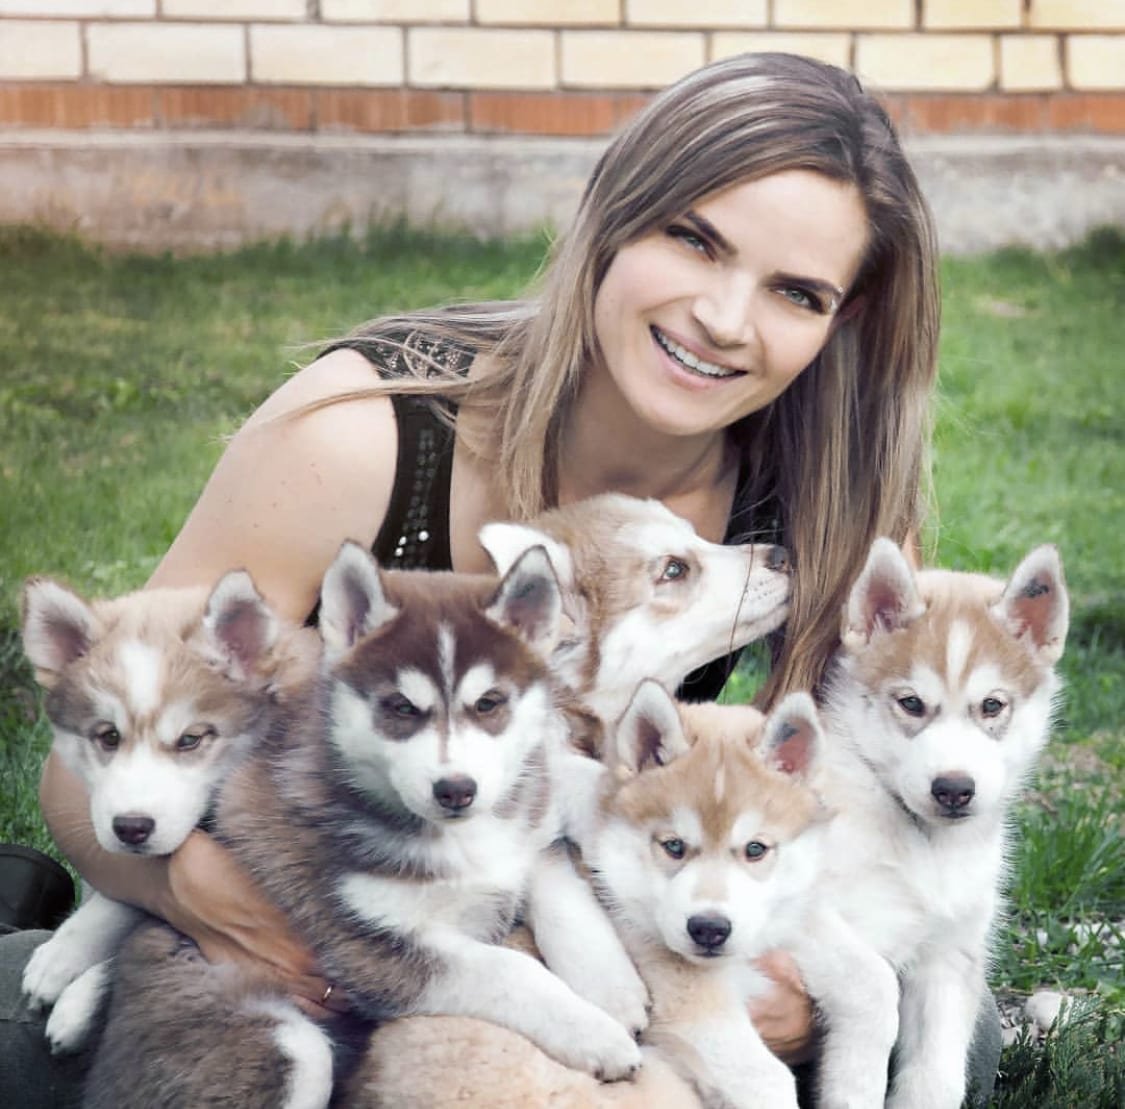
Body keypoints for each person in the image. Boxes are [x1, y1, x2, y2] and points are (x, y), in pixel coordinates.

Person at [1, 52, 1000, 1106]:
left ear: (839, 321)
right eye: (694, 239)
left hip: (570, 958)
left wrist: (794, 996)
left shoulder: (814, 515)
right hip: (274, 938)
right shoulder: (360, 439)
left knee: (936, 1041)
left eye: (796, 292)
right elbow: (91, 765)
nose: (724, 318)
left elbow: (857, 824)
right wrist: (204, 895)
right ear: (609, 211)